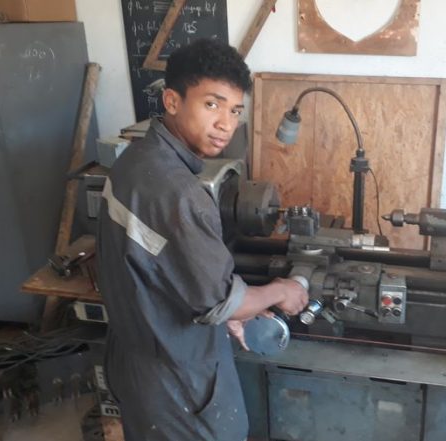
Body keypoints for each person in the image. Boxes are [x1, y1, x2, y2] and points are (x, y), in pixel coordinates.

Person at [96, 39, 309, 441]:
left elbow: (155, 270)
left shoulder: (131, 162)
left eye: (235, 110)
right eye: (212, 104)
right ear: (172, 101)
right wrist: (282, 290)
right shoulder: (180, 195)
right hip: (178, 381)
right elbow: (219, 301)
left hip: (133, 359)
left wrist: (229, 311)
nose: (225, 124)